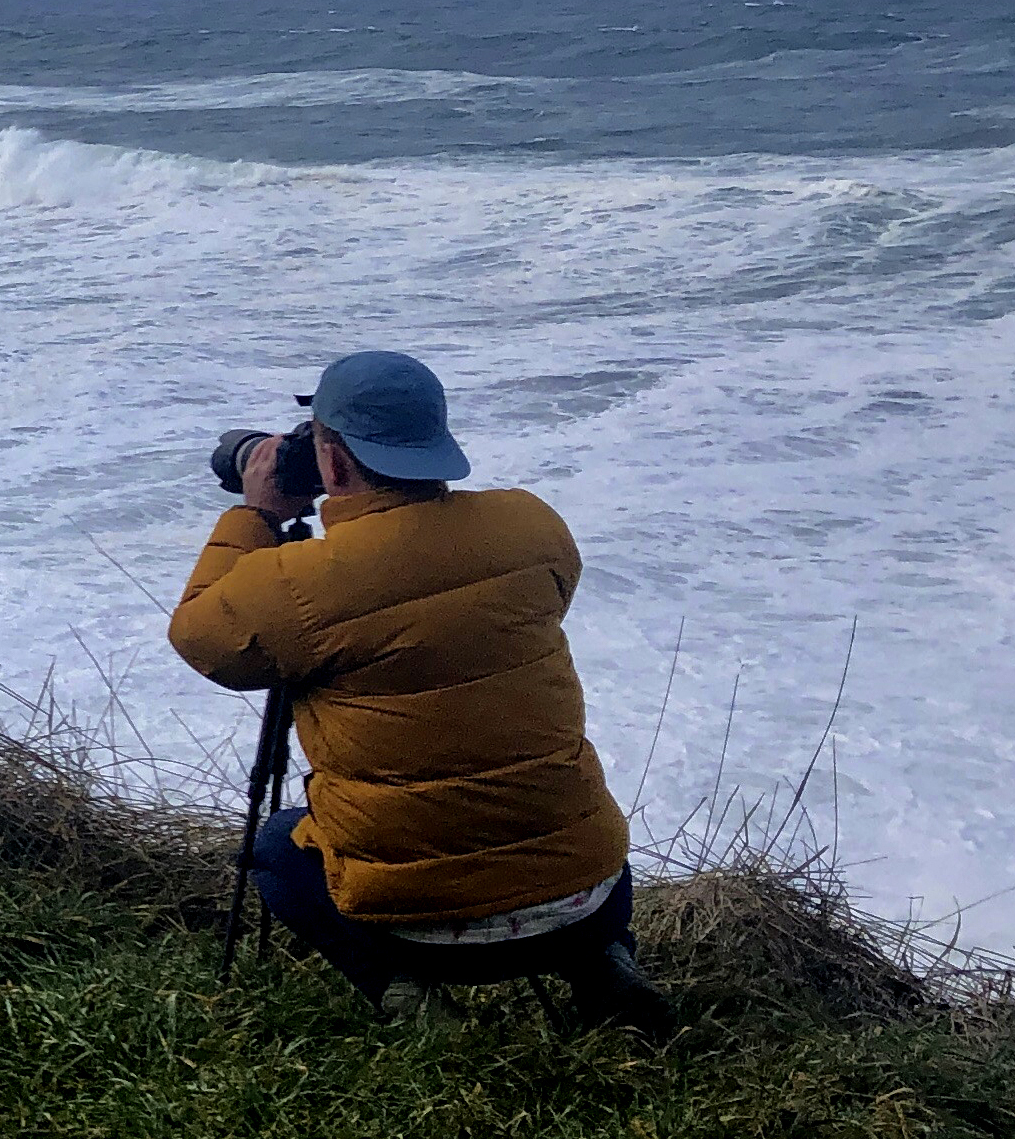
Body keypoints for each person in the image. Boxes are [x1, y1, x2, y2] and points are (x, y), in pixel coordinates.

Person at [169, 349, 674, 1035]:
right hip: (582, 897)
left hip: (415, 928)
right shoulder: (531, 526)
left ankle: (413, 1001)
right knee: (573, 815)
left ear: (335, 463)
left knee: (278, 847)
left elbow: (201, 636)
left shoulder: (295, 585)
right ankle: (602, 966)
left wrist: (256, 515)